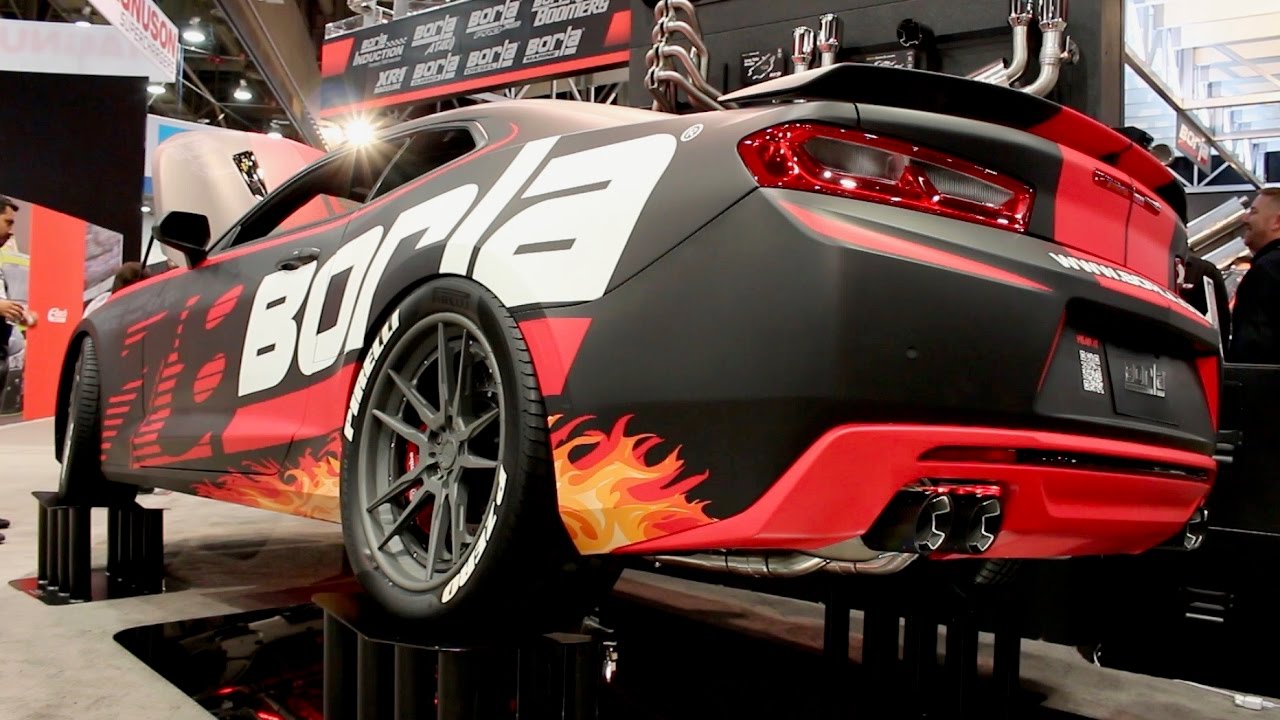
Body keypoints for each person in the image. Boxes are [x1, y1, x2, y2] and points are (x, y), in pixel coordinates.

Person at [1229, 187, 1280, 364]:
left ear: (1277, 222)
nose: (1244, 218)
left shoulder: (1266, 270)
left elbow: (1252, 350)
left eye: (1253, 212)